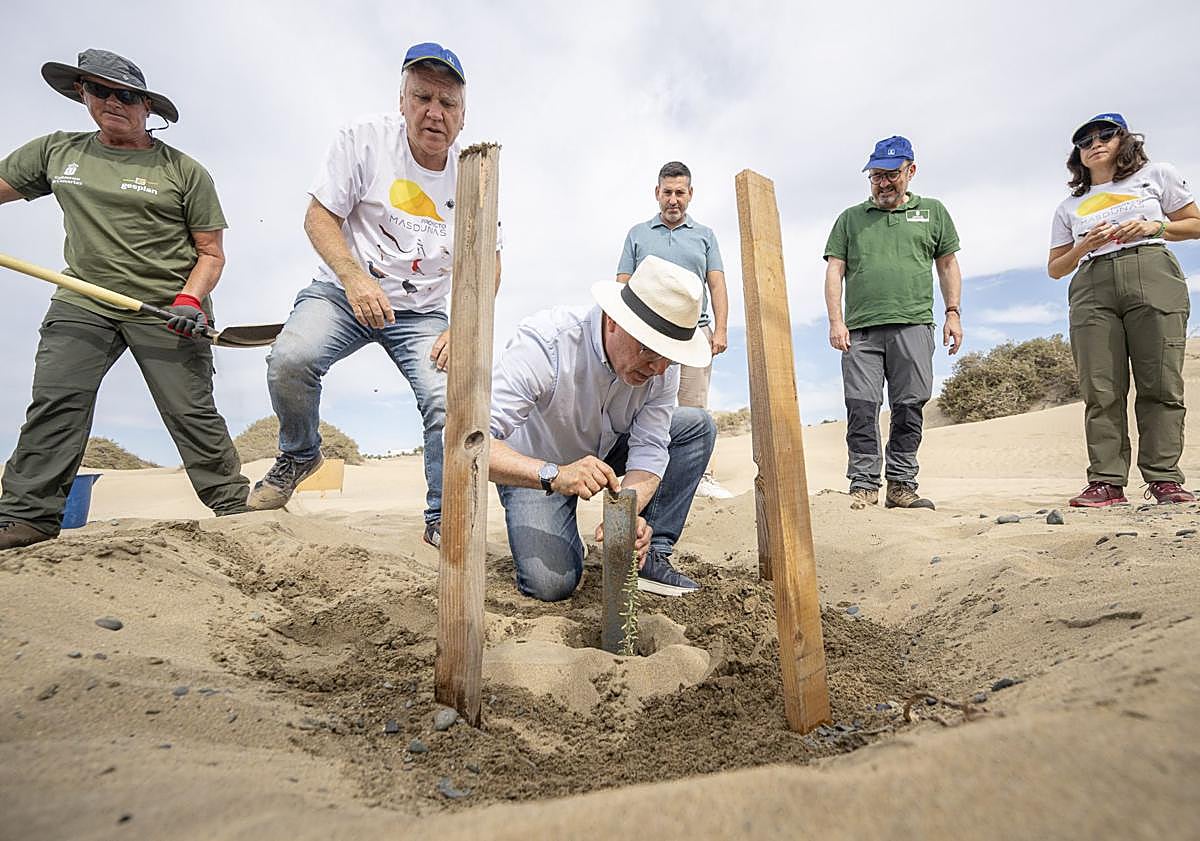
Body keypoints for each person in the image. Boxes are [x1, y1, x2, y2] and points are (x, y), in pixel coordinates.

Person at [250, 42, 500, 547]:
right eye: (423, 97)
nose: (434, 112)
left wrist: (463, 326)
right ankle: (300, 454)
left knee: (443, 398)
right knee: (291, 359)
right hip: (345, 291)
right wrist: (354, 277)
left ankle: (442, 517)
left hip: (423, 311)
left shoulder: (474, 172)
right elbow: (319, 216)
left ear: (463, 115)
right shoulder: (363, 141)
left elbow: (489, 263)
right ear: (402, 100)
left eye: (447, 103)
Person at [0, 49, 248, 551]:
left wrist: (189, 302)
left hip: (167, 306)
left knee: (189, 409)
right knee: (57, 401)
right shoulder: (57, 152)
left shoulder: (182, 170)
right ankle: (26, 516)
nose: (113, 102)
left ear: (147, 107)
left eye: (127, 95)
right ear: (82, 95)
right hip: (84, 299)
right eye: (99, 90)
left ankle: (233, 505)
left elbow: (211, 253)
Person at [489, 256, 716, 600]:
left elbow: (651, 446)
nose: (658, 368)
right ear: (612, 321)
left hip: (606, 451)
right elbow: (469, 444)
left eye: (670, 357)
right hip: (537, 466)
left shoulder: (662, 367)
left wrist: (624, 516)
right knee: (551, 584)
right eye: (649, 351)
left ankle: (651, 551)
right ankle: (563, 538)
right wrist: (555, 474)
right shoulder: (545, 344)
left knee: (695, 427)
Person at [1048, 113, 1199, 507]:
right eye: (1084, 141)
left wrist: (1156, 228)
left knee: (1161, 382)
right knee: (1100, 388)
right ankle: (1106, 482)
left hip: (1151, 269)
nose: (1094, 144)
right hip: (1092, 282)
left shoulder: (1156, 175)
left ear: (1124, 139)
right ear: (1077, 155)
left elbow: (1196, 224)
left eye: (1105, 135)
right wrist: (1083, 246)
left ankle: (1164, 478)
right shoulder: (1070, 205)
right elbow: (1055, 268)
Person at [823, 136, 963, 511]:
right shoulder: (850, 219)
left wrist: (953, 312)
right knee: (861, 407)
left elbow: (947, 264)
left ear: (910, 171)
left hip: (914, 325)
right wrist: (836, 321)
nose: (883, 183)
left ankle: (901, 485)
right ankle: (864, 484)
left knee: (909, 406)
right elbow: (835, 271)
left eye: (891, 175)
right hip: (861, 330)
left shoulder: (933, 212)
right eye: (876, 176)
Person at [617, 161, 733, 499]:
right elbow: (622, 282)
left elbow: (717, 284)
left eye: (679, 193)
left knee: (693, 407)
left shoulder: (705, 236)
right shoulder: (638, 234)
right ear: (657, 193)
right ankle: (647, 474)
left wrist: (721, 329)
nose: (673, 200)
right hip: (647, 335)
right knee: (647, 404)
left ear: (690, 195)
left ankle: (700, 477)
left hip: (695, 334)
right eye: (667, 192)